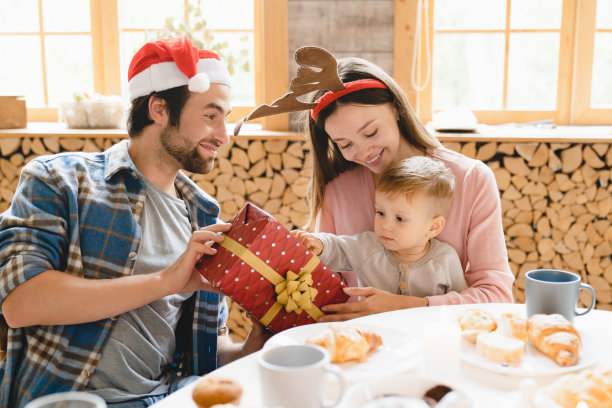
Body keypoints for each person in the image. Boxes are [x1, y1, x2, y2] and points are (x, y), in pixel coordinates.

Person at [0, 37, 268, 407]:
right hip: (65, 399)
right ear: (158, 108)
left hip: (163, 397)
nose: (223, 136)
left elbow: (209, 354)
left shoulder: (203, 218)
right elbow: (20, 304)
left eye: (226, 118)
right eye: (211, 115)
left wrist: (256, 343)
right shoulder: (60, 180)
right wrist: (165, 281)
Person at [298, 55, 514, 321]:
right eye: (345, 144)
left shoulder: (471, 179)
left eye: (370, 133)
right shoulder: (337, 192)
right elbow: (322, 288)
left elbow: (497, 297)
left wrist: (407, 306)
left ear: (396, 108)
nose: (363, 152)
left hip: (439, 344)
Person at [293, 156, 468, 298]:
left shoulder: (445, 259)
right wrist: (319, 244)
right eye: (380, 213)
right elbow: (338, 248)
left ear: (433, 227)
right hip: (372, 335)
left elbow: (459, 306)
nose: (385, 225)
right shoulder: (368, 246)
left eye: (400, 218)